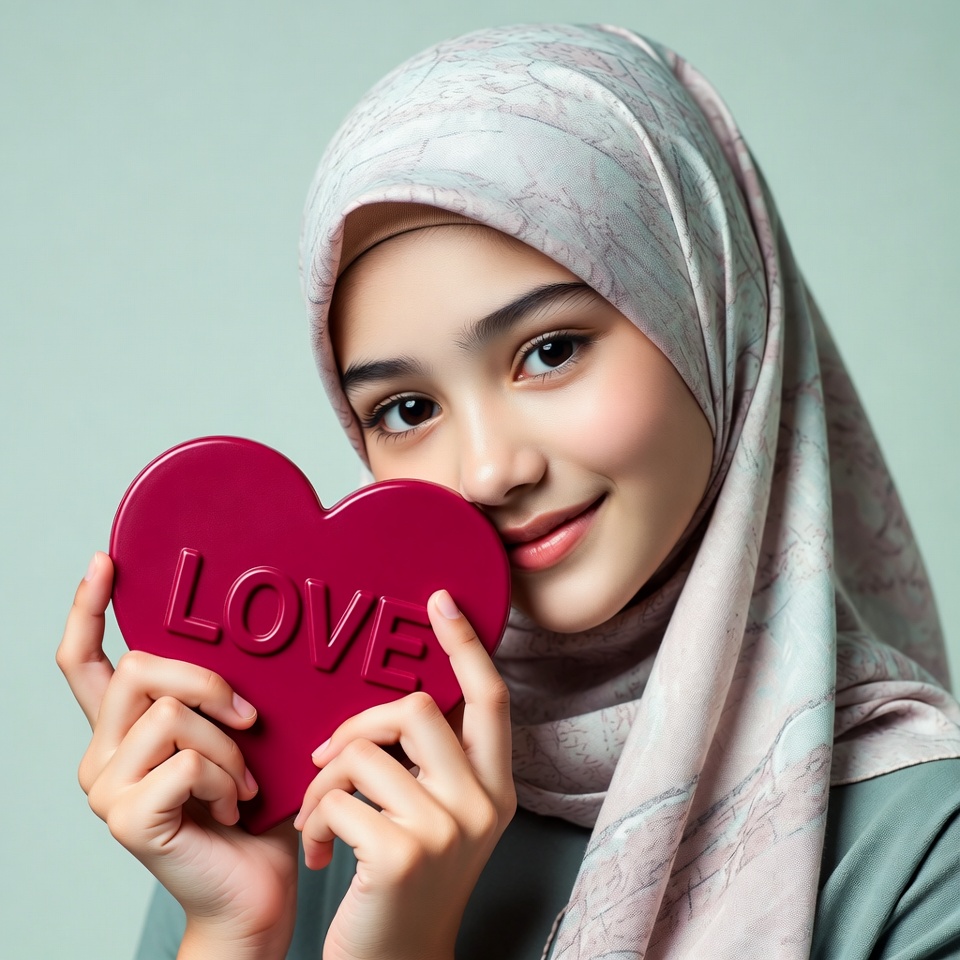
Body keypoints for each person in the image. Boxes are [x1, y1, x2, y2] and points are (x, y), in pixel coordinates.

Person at [58, 23, 960, 960]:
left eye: (550, 351)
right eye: (407, 410)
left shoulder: (919, 850)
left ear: (712, 315)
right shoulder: (289, 786)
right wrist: (230, 924)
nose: (491, 472)